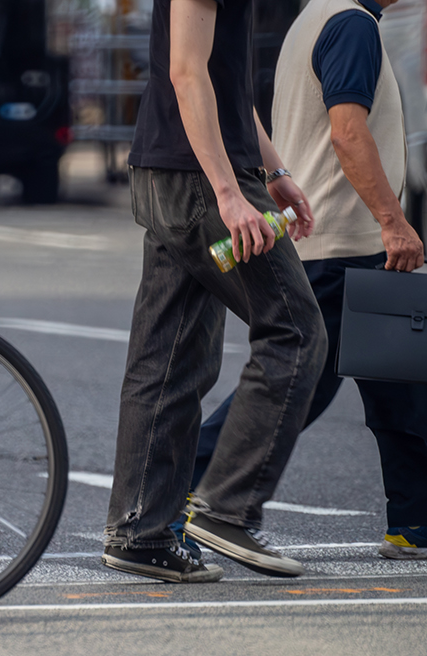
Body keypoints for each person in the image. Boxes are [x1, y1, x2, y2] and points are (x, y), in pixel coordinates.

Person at [187, 0, 427, 561]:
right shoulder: (351, 24)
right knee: (297, 384)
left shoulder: (315, 17)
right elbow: (347, 134)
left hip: (334, 240)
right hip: (343, 244)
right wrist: (393, 221)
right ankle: (191, 485)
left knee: (406, 383)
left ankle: (425, 521)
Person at [101, 0, 325, 584]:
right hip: (201, 183)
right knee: (296, 333)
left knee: (168, 359)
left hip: (173, 175)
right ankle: (226, 508)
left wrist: (273, 173)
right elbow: (186, 71)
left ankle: (141, 533)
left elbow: (225, 82)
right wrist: (230, 193)